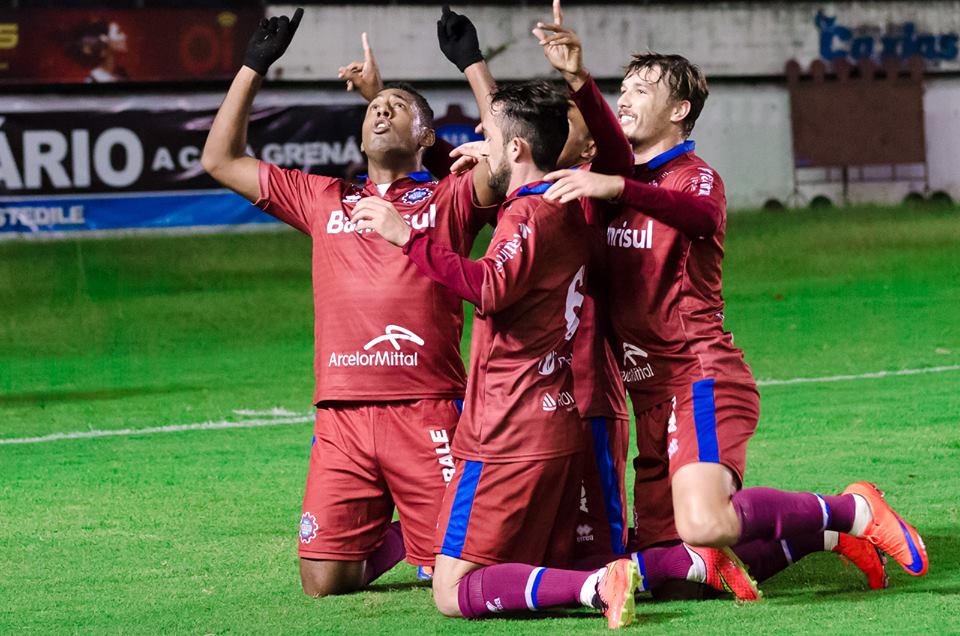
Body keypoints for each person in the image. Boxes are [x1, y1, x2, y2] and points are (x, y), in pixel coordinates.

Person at [534, 9, 926, 593]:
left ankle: (853, 509)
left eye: (643, 90)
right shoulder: (600, 179)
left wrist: (617, 186)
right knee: (676, 563)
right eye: (623, 89)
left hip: (700, 375)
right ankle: (822, 536)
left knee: (704, 523)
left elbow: (695, 216)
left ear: (679, 111)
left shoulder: (696, 179)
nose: (626, 98)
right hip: (647, 392)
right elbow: (531, 190)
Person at [201, 8, 500, 597]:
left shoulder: (451, 199)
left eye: (397, 107)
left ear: (428, 136)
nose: (381, 111)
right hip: (340, 416)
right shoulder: (323, 197)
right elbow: (220, 160)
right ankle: (404, 530)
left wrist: (472, 63)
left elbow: (509, 156)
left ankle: (432, 536)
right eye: (372, 108)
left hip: (426, 410)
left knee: (461, 574)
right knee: (324, 582)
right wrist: (253, 65)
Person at [337, 7, 634, 573]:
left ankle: (681, 564)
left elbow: (492, 278)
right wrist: (451, 78)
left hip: (567, 397)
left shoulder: (574, 198)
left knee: (598, 554)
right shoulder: (551, 195)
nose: (480, 139)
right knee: (568, 553)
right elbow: (506, 140)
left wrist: (574, 83)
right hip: (546, 399)